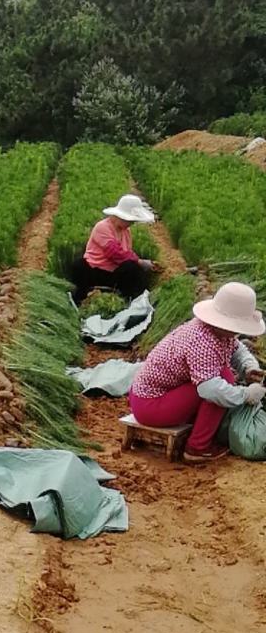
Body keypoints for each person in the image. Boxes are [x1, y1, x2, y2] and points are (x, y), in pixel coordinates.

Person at [129, 282, 265, 463]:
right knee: (221, 383)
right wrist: (246, 394)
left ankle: (198, 434)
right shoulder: (202, 341)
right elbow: (211, 390)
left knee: (224, 375)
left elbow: (237, 350)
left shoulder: (217, 331)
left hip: (154, 396)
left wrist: (249, 367)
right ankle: (197, 448)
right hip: (150, 405)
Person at [70, 195, 157, 304]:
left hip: (114, 272)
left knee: (132, 269)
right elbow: (114, 252)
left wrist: (140, 262)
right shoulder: (102, 227)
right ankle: (82, 299)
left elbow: (126, 252)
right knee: (79, 265)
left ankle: (131, 300)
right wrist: (139, 262)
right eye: (129, 220)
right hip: (95, 271)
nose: (132, 223)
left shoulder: (126, 232)